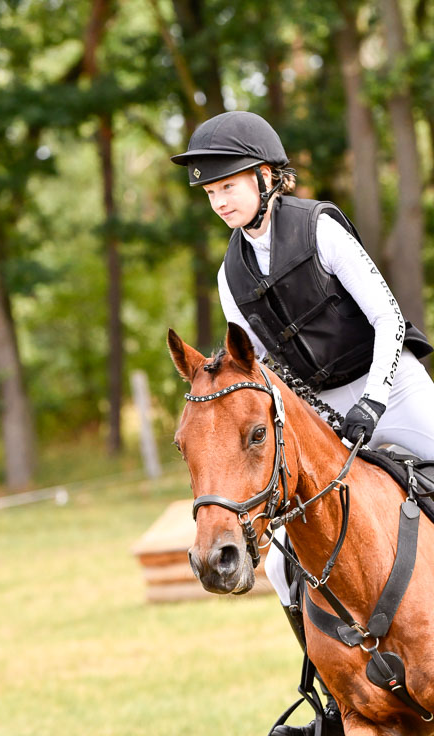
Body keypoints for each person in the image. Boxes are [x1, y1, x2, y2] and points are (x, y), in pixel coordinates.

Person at [171, 110, 434, 736]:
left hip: (390, 386)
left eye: (228, 186)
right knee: (286, 555)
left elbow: (389, 322)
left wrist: (371, 402)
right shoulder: (229, 273)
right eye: (211, 193)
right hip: (317, 410)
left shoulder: (320, 229)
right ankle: (334, 691)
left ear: (266, 177)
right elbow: (258, 369)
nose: (219, 201)